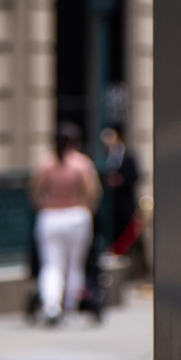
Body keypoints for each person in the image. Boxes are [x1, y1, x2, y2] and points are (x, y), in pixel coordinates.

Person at [29, 121, 101, 325]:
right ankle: (70, 307)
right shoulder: (81, 164)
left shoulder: (46, 163)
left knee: (51, 265)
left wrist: (44, 205)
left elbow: (34, 190)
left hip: (50, 217)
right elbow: (92, 192)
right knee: (74, 265)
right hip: (76, 216)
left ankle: (51, 305)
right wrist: (87, 210)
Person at [100, 125, 141, 257]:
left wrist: (121, 180)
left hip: (125, 202)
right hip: (110, 204)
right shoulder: (105, 156)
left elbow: (135, 175)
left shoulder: (128, 156)